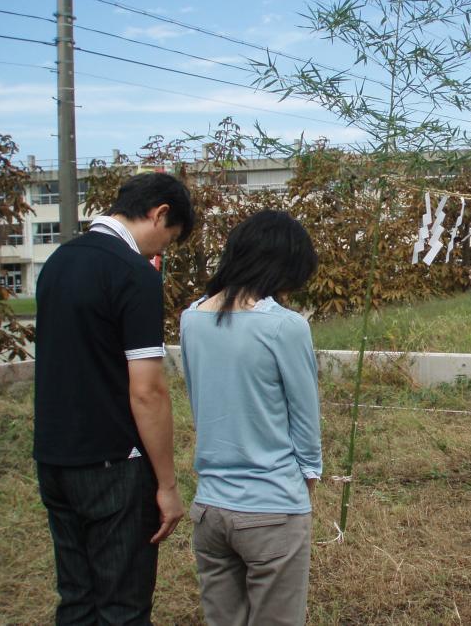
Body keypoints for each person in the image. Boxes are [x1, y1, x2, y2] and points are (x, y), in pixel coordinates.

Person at [33, 171, 195, 623]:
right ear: (159, 213)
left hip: (54, 458)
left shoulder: (58, 263)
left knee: (77, 597)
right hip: (113, 467)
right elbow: (147, 391)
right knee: (122, 605)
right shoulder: (133, 273)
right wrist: (166, 484)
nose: (161, 251)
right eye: (169, 238)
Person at [180, 210, 322, 626]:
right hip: (272, 507)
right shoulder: (285, 326)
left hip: (209, 508)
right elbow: (305, 418)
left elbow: (198, 399)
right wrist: (307, 478)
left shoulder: (191, 320)